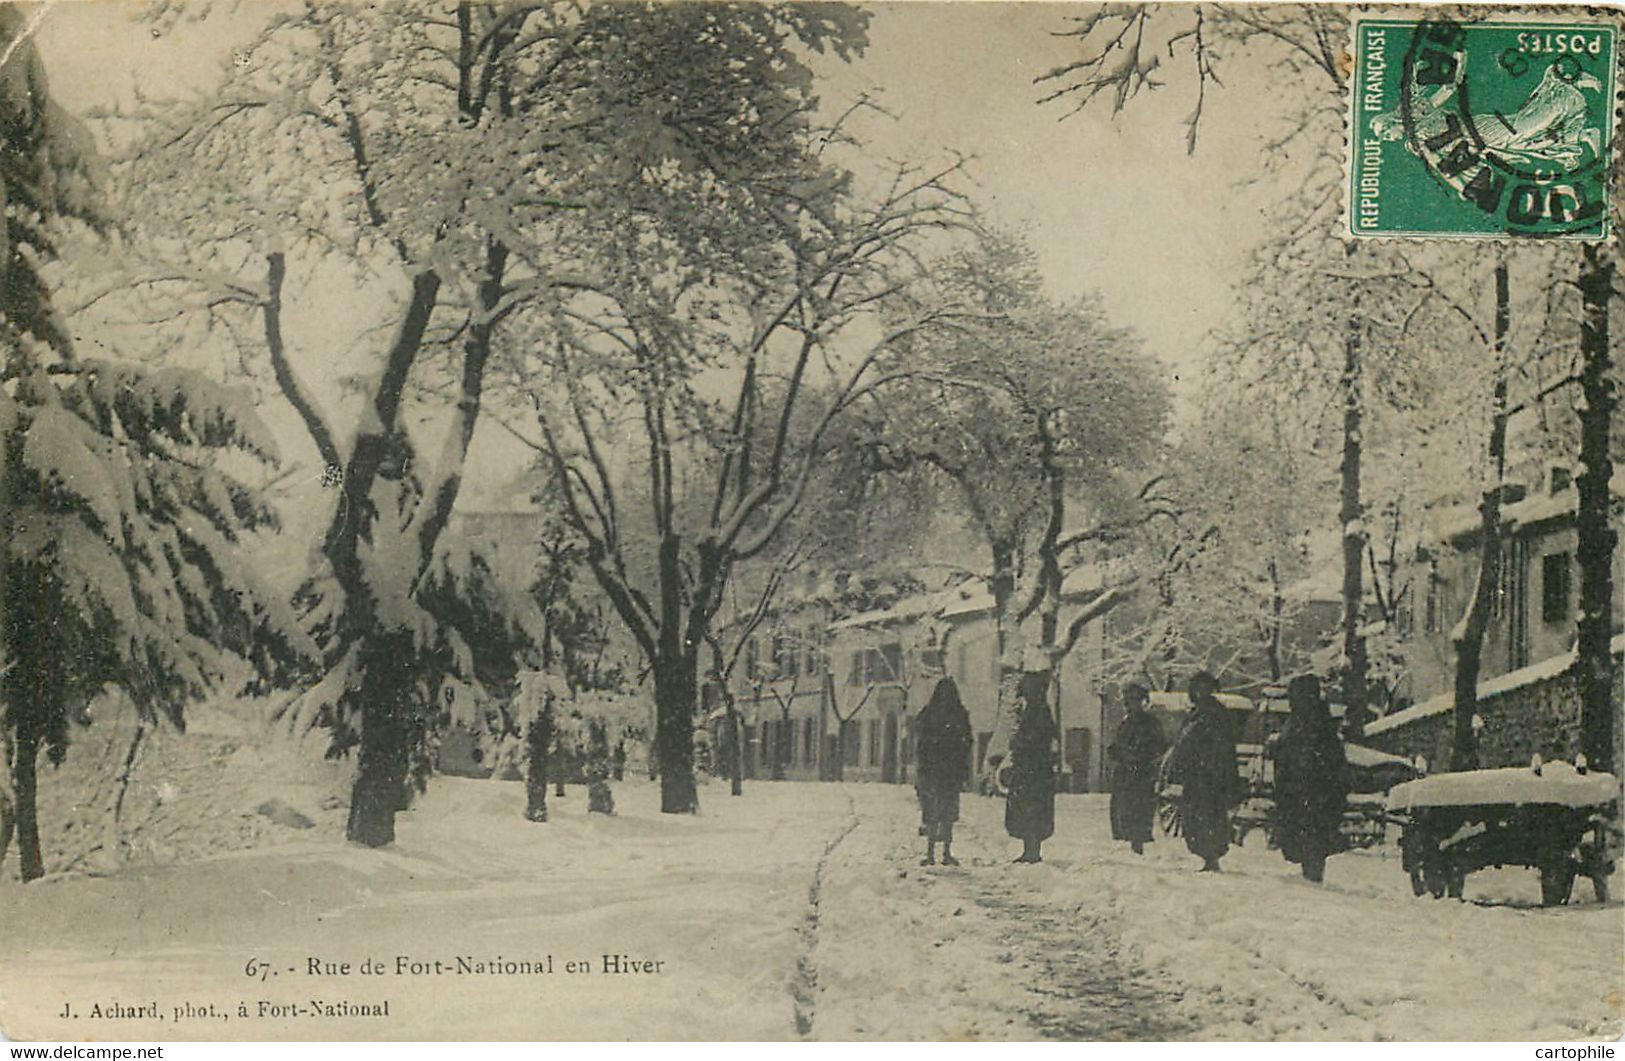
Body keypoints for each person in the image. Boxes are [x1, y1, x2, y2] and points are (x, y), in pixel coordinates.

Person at [1272, 674, 1349, 883]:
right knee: (1298, 837)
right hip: (1295, 789)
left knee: (1313, 836)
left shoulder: (1319, 724)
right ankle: (1311, 875)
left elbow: (1332, 760)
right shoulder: (1295, 721)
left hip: (1315, 790)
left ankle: (1313, 877)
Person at [1165, 671, 1242, 872]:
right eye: (1197, 689)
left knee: (1209, 816)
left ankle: (1211, 858)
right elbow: (1182, 744)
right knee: (1194, 818)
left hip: (1211, 777)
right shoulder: (1194, 715)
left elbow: (1221, 747)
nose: (1200, 693)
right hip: (1195, 777)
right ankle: (1207, 856)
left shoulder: (1216, 714)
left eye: (1204, 688)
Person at [914, 677, 973, 866]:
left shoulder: (930, 713)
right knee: (945, 812)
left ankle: (933, 853)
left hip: (935, 770)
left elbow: (921, 742)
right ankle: (944, 852)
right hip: (948, 771)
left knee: (934, 811)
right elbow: (968, 742)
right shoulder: (959, 714)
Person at [1005, 670, 1058, 864]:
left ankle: (1033, 851)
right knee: (1028, 810)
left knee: (1032, 810)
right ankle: (1030, 849)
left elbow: (1037, 739)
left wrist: (1018, 743)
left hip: (1034, 771)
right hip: (1031, 770)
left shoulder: (1039, 712)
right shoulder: (1033, 711)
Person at [1108, 683, 1167, 856]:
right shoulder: (1126, 723)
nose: (1129, 706)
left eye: (1133, 701)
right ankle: (1130, 843)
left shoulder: (1151, 723)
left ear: (1142, 702)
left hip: (1141, 774)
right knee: (1123, 810)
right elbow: (1117, 745)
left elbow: (1159, 746)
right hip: (1125, 773)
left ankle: (1138, 845)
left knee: (1139, 810)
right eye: (1126, 702)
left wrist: (1140, 757)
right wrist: (1116, 752)